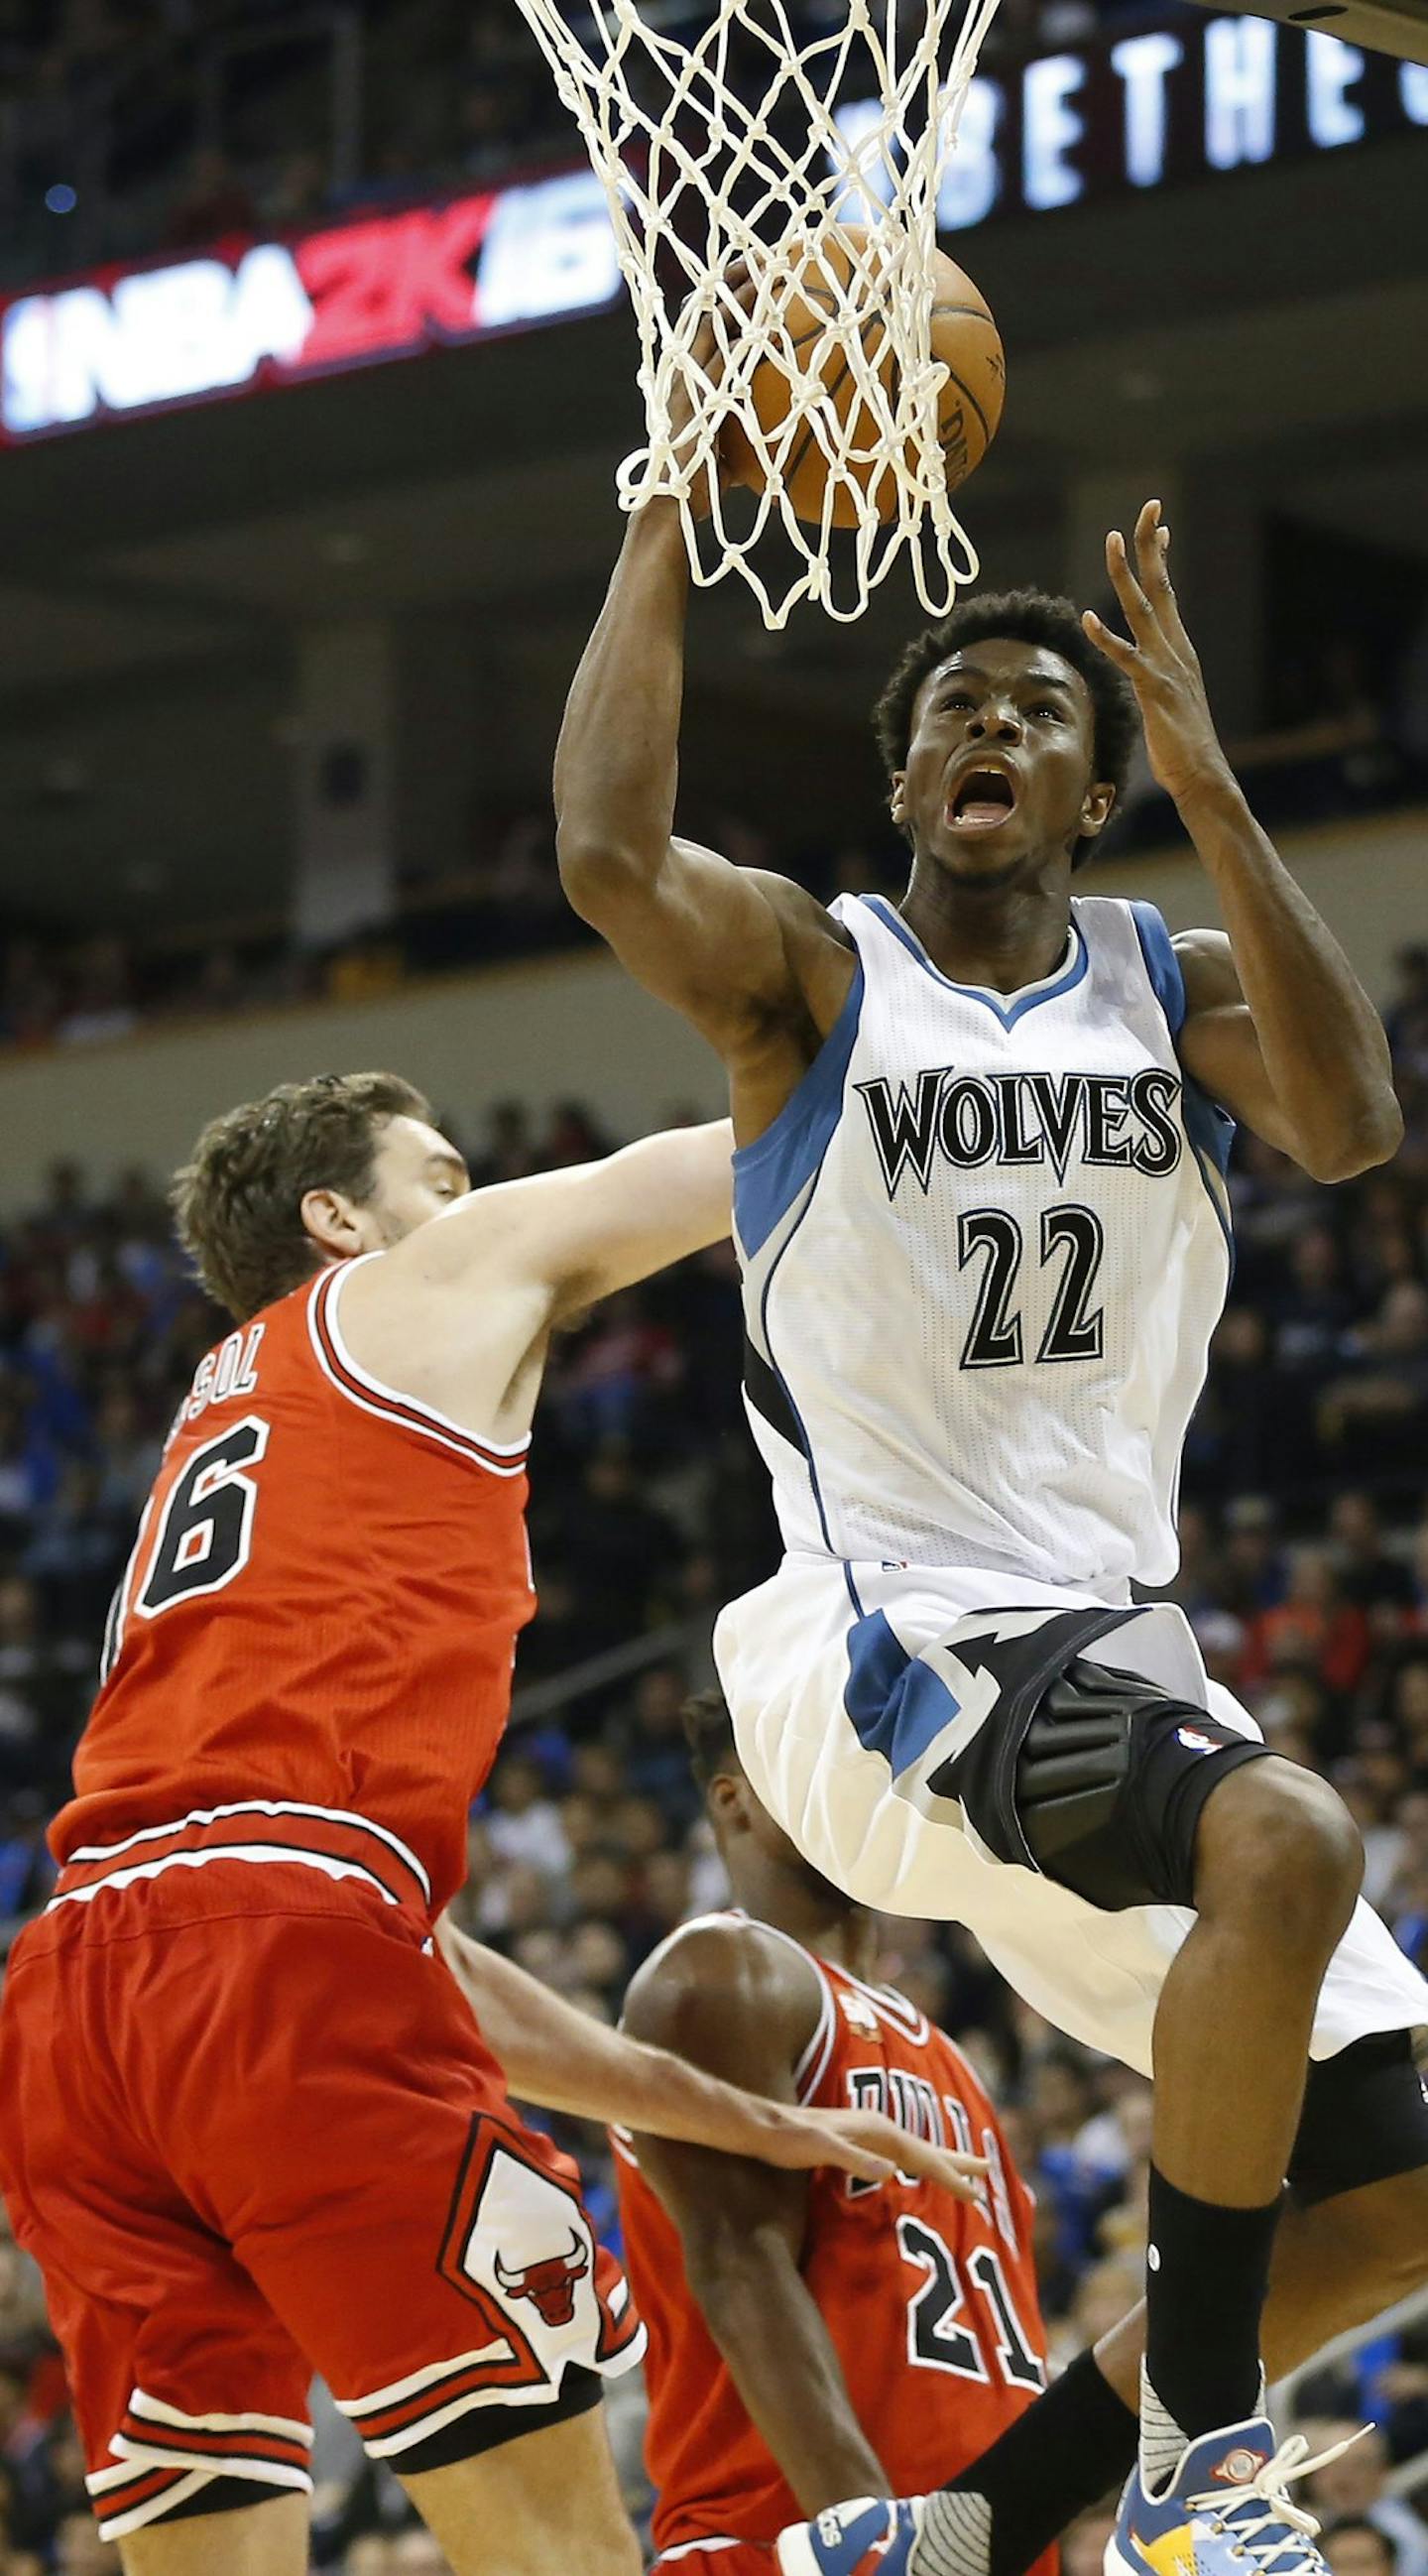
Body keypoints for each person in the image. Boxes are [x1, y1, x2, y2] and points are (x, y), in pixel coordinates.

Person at [552, 396, 1428, 2576]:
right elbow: (604, 853)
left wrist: (1223, 784)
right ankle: (1207, 2450)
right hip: (882, 1646)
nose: (998, 726)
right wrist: (669, 497)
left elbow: (1349, 1122)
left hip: (1113, 1642)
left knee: (1406, 2156)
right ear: (906, 773)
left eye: (1045, 710)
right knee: (1289, 1825)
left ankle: (971, 2526)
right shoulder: (820, 973)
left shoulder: (1167, 981)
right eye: (960, 703)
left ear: (1090, 784)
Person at [0, 1071, 982, 2576]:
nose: (477, 1209)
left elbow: (402, 1962)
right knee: (555, 2552)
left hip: (79, 2000)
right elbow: (739, 1148)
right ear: (342, 1220)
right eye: (444, 1176)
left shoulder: (235, 1423)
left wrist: (763, 2123)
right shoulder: (412, 1288)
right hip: (281, 1951)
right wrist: (991, 1062)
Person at [612, 1686, 1055, 2576]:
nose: (868, 1781)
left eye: (874, 1757)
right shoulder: (725, 1970)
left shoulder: (953, 2058)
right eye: (825, 1752)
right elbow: (740, 2265)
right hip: (798, 2544)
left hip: (976, 2547)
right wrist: (872, 2536)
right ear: (735, 1797)